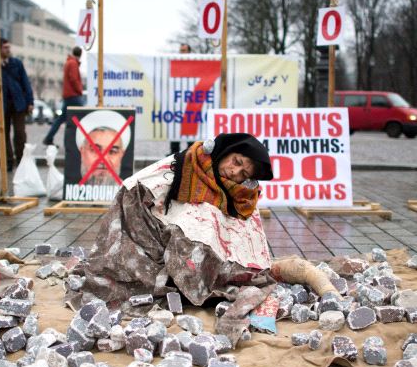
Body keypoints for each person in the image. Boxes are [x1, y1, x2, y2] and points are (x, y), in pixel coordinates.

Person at [66, 133, 277, 341]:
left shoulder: (242, 195)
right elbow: (136, 188)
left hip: (200, 255)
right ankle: (174, 277)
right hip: (159, 236)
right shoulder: (189, 162)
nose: (235, 172)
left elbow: (246, 232)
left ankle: (196, 279)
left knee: (206, 225)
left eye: (243, 173)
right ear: (225, 151)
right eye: (236, 162)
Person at [0, 38, 34, 171]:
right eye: (5, 47)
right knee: (3, 134)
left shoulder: (17, 63)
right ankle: (8, 161)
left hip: (18, 103)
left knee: (20, 133)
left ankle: (21, 161)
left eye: (8, 47)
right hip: (1, 104)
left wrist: (30, 101)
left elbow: (25, 83)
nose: (8, 50)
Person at [75, 110, 130, 186]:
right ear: (82, 151)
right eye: (95, 150)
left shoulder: (130, 194)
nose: (103, 160)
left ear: (121, 154)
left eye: (112, 151)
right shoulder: (64, 190)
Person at [43, 46, 84, 146]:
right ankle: (74, 142)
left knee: (62, 119)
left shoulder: (69, 62)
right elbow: (74, 79)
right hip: (73, 95)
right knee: (81, 116)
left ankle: (49, 138)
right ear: (80, 55)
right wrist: (80, 90)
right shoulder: (73, 63)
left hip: (68, 95)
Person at [170, 43, 194, 155]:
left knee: (191, 127)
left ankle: (190, 153)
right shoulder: (176, 64)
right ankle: (174, 153)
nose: (182, 53)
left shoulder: (194, 65)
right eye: (181, 50)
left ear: (189, 52)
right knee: (174, 127)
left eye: (184, 50)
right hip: (177, 102)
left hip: (190, 102)